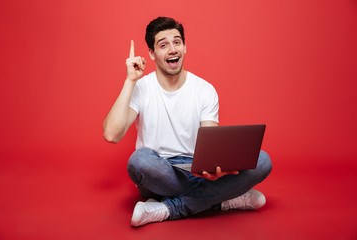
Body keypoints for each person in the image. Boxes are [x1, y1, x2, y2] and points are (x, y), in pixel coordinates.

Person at [103, 17, 272, 227]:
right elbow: (111, 134)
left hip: (196, 170)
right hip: (161, 173)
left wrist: (214, 168)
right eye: (163, 45)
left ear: (185, 47)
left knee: (263, 161)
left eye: (177, 42)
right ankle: (222, 200)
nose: (172, 49)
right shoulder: (141, 88)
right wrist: (130, 81)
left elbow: (212, 145)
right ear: (152, 54)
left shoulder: (204, 90)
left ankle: (168, 209)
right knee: (139, 160)